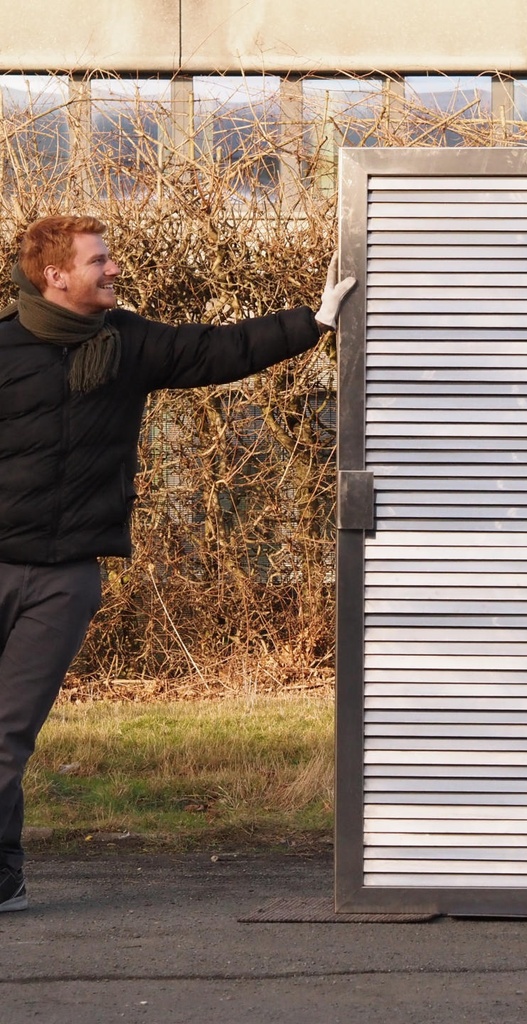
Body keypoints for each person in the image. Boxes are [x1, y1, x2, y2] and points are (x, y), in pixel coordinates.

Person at [0, 215, 355, 913]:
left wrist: (311, 322)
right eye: (100, 260)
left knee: (7, 732)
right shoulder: (3, 348)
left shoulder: (127, 345)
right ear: (56, 275)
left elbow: (217, 350)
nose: (114, 269)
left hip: (64, 577)